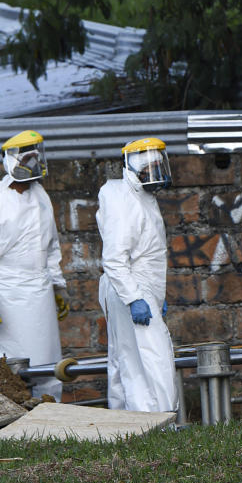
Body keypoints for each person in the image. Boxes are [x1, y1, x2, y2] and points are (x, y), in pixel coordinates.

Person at [0, 130, 69, 402]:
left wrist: (58, 285)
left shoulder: (40, 195)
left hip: (41, 290)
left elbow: (50, 246)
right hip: (8, 295)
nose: (34, 165)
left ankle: (52, 413)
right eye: (28, 160)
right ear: (12, 163)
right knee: (11, 364)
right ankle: (12, 420)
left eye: (36, 158)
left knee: (48, 360)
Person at [96, 137, 178, 413]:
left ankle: (128, 420)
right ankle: (160, 420)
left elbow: (149, 252)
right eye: (152, 167)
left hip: (141, 288)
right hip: (129, 288)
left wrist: (157, 294)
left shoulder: (142, 196)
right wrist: (134, 298)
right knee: (154, 357)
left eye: (160, 165)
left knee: (128, 358)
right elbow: (115, 259)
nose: (158, 173)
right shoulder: (123, 201)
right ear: (135, 168)